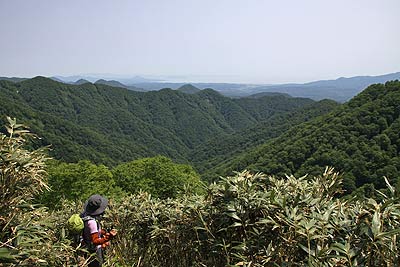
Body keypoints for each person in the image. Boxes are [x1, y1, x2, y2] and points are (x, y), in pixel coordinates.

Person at [81, 194, 117, 267]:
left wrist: (104, 232)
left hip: (86, 247)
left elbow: (90, 231)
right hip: (94, 250)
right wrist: (108, 237)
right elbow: (95, 241)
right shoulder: (92, 222)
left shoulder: (84, 215)